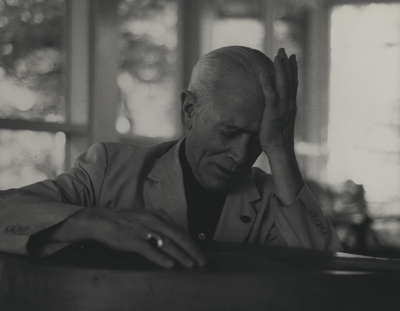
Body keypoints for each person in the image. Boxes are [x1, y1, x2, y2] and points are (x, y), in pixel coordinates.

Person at [0, 46, 342, 268]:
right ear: (189, 110)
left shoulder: (274, 200)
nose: (241, 156)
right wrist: (94, 222)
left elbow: (325, 277)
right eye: (229, 133)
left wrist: (281, 151)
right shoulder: (107, 169)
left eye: (258, 140)